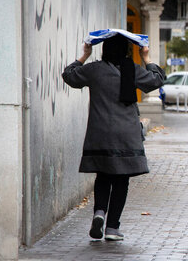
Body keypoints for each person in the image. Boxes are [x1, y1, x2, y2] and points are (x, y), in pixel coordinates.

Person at [62, 34, 165, 241]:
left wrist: (84, 55)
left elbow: (69, 75)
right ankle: (112, 228)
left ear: (105, 49)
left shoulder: (94, 70)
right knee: (121, 179)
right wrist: (146, 57)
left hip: (99, 134)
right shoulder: (133, 70)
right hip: (126, 135)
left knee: (103, 175)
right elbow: (157, 80)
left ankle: (99, 212)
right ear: (126, 51)